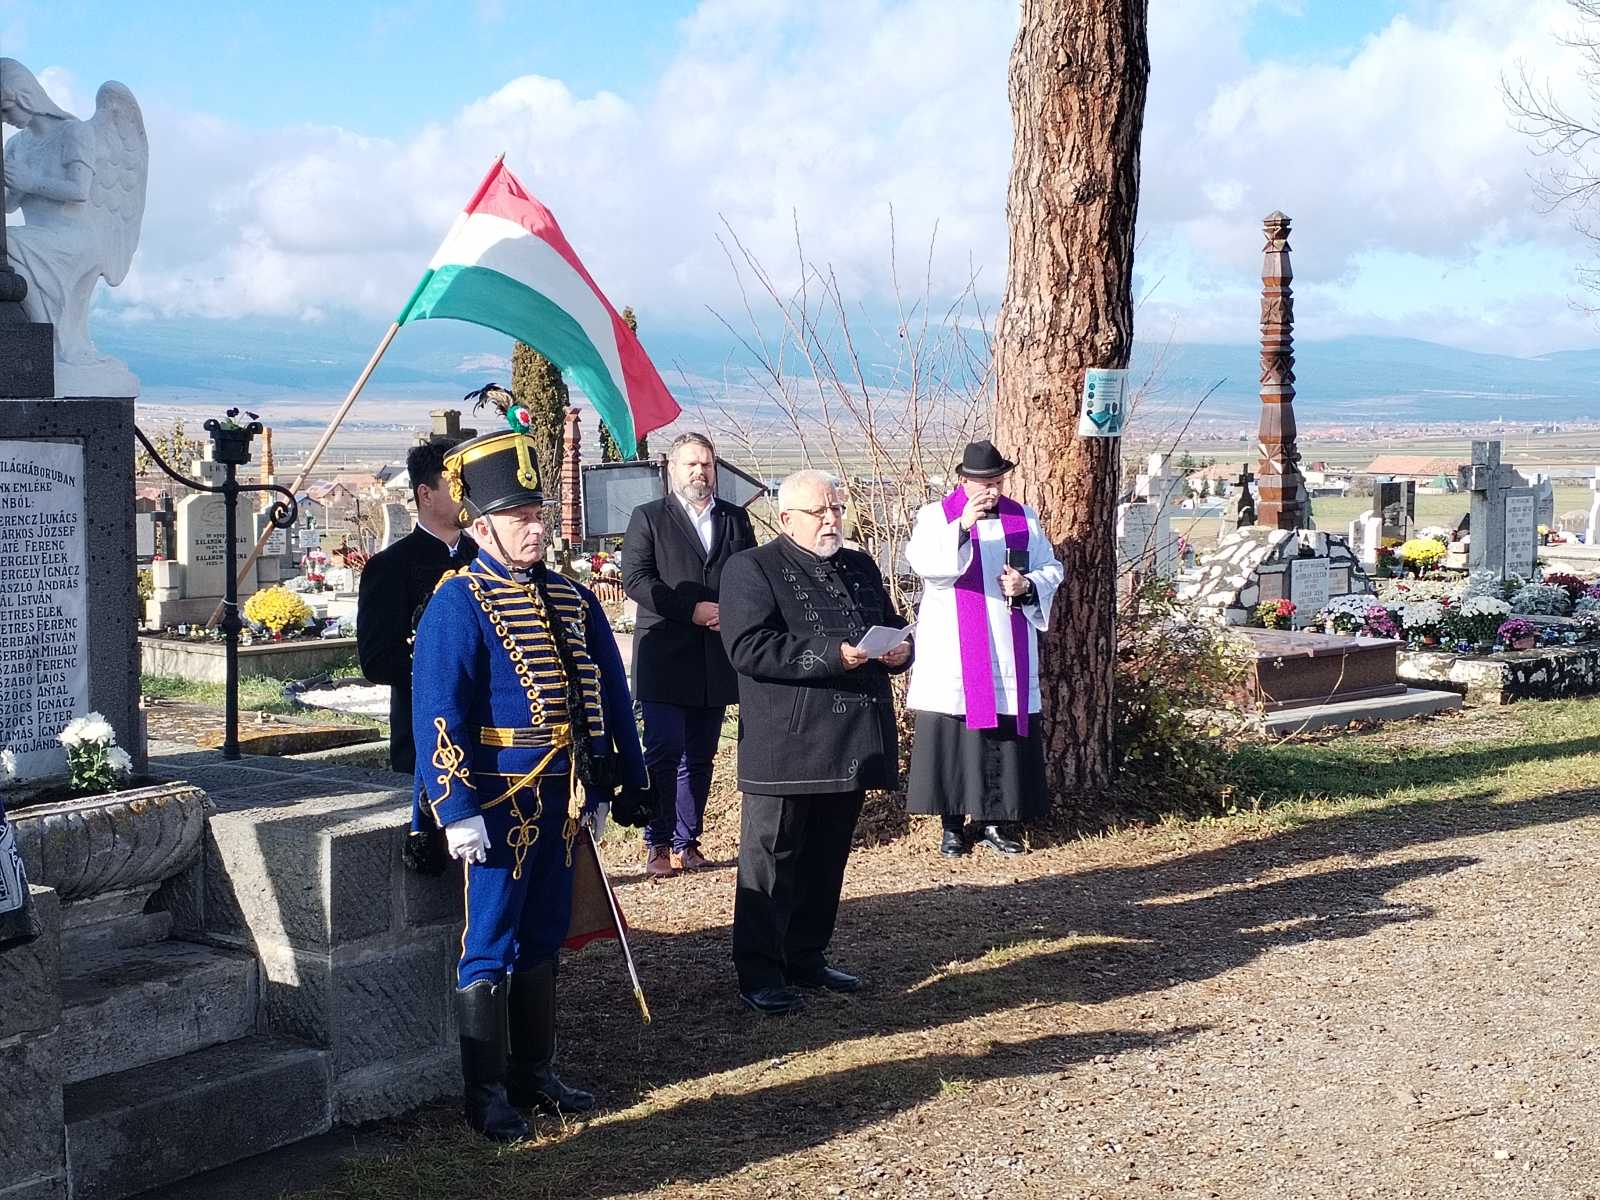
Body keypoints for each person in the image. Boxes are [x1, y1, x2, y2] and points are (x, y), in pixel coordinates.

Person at [411, 412, 648, 1141]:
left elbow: (609, 695)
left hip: (563, 797)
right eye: (519, 517)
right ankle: (484, 1096)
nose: (536, 528)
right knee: (489, 940)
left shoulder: (574, 599)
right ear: (480, 525)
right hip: (495, 798)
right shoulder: (458, 601)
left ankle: (533, 1075)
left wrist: (611, 783)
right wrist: (453, 807)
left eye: (538, 513)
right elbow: (439, 710)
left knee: (543, 933)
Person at [719, 470, 911, 1016]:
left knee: (826, 858)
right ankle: (760, 972)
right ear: (786, 519)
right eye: (818, 512)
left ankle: (806, 955)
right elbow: (748, 647)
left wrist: (901, 650)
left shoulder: (860, 565)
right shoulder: (752, 568)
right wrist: (834, 655)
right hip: (787, 744)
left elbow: (890, 624)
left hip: (851, 740)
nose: (831, 520)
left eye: (836, 509)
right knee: (771, 861)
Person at [904, 440, 1063, 856]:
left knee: (1001, 734)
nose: (991, 490)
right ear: (964, 481)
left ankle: (996, 822)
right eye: (982, 483)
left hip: (1007, 644)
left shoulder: (1023, 517)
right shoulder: (935, 516)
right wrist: (961, 527)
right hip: (953, 648)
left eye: (996, 482)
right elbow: (926, 565)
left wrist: (1027, 584)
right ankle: (952, 826)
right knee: (955, 736)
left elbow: (1051, 568)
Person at [623, 432, 756, 879]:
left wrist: (734, 613)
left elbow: (750, 576)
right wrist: (690, 610)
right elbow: (637, 580)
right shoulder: (649, 517)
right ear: (672, 469)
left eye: (707, 464)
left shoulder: (735, 519)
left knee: (701, 754)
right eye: (691, 464)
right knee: (663, 750)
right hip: (664, 653)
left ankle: (688, 841)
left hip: (715, 656)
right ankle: (657, 843)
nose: (700, 472)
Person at [357, 440, 478, 775]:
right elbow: (377, 661)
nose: (467, 495)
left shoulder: (484, 559)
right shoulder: (390, 567)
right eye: (457, 485)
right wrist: (450, 669)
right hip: (426, 737)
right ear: (426, 494)